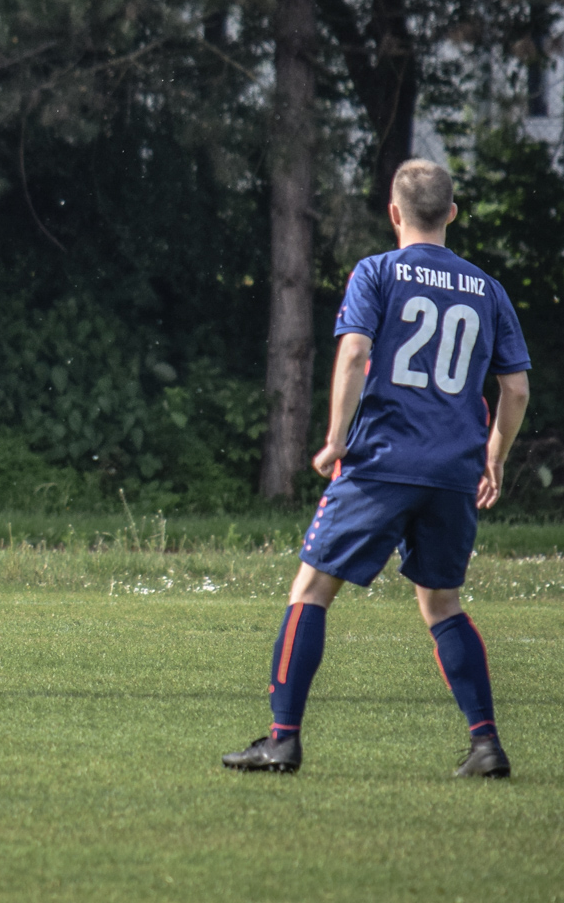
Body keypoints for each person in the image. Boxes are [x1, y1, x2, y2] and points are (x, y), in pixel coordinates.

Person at [223, 159, 531, 778]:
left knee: (311, 590)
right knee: (442, 603)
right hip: (454, 471)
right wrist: (494, 456)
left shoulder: (378, 272)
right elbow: (516, 389)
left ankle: (282, 740)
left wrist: (336, 438)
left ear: (394, 213)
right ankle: (486, 746)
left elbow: (355, 352)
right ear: (451, 213)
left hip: (383, 462)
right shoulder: (487, 289)